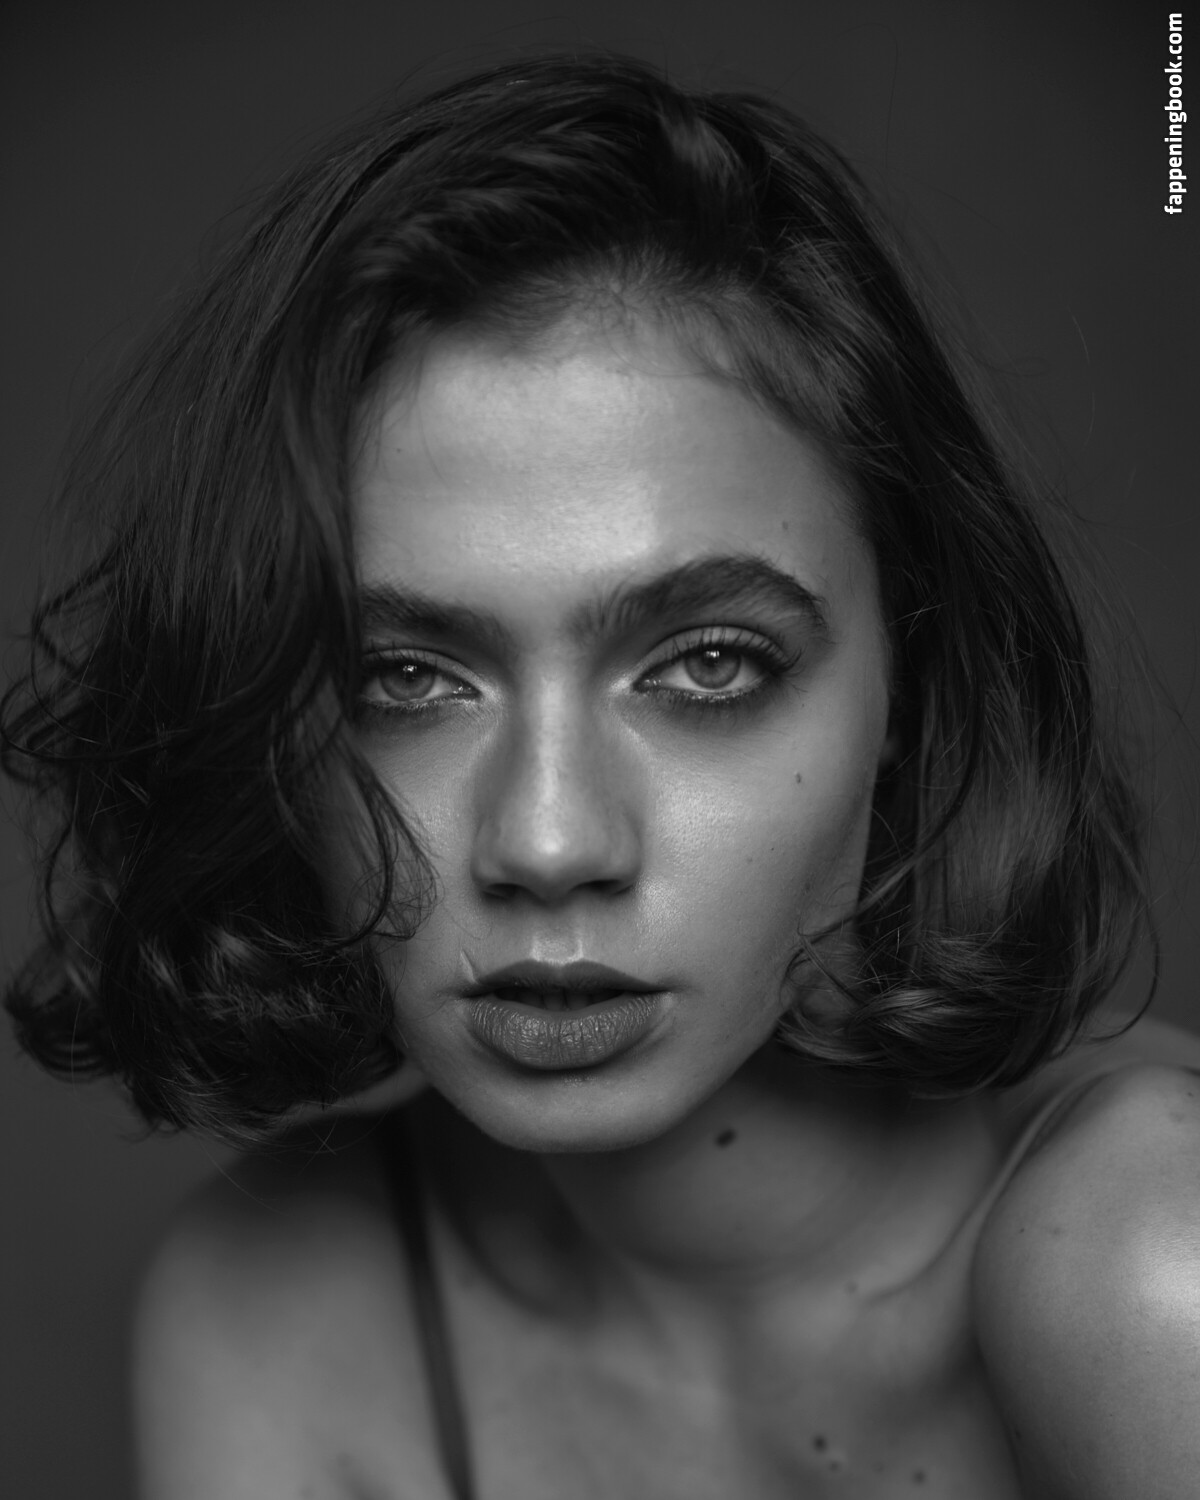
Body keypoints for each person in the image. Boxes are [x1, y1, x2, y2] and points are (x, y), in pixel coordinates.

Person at [3, 48, 1198, 1500]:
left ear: (912, 684)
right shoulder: (280, 1313)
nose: (550, 840)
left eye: (709, 666)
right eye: (405, 679)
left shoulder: (1156, 1256)